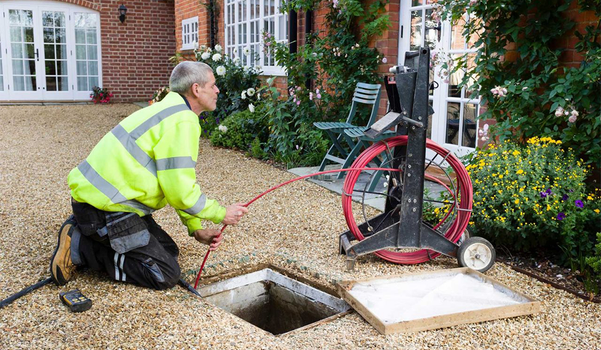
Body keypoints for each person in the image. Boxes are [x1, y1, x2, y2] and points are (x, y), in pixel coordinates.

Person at [50, 61, 248, 290]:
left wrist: (195, 227)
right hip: (103, 210)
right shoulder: (183, 121)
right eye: (213, 85)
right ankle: (82, 246)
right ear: (196, 89)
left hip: (105, 202)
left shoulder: (168, 111)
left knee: (169, 252)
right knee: (163, 273)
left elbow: (173, 182)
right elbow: (181, 192)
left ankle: (86, 231)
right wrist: (221, 214)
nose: (217, 91)